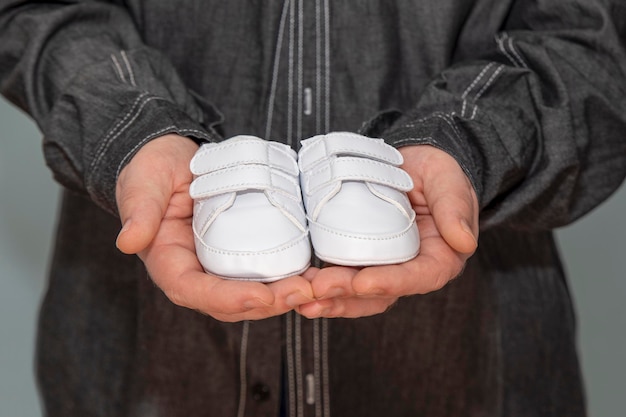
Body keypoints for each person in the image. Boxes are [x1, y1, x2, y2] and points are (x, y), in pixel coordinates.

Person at [1, 0, 625, 416]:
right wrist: (134, 126)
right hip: (138, 368)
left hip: (474, 367)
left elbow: (590, 39)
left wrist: (467, 142)